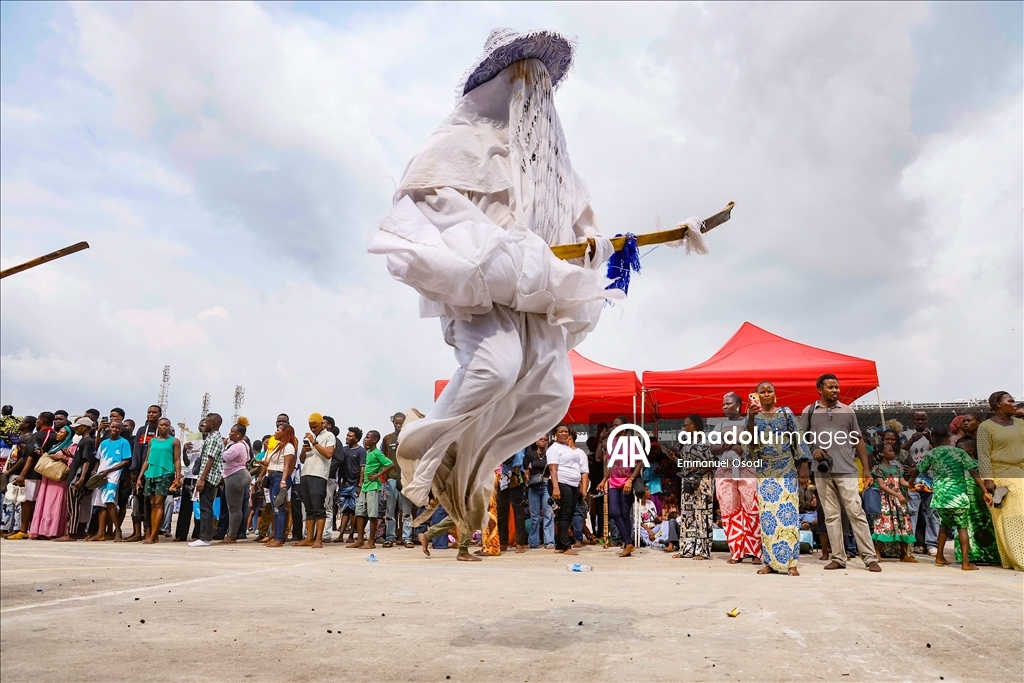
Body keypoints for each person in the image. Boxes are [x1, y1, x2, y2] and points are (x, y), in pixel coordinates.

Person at [369, 29, 633, 541]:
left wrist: (595, 245)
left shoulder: (554, 168)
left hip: (538, 290)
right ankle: (421, 446)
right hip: (486, 284)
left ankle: (464, 464)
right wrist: (495, 244)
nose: (537, 92)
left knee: (554, 392)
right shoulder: (459, 140)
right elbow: (431, 202)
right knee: (496, 367)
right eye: (526, 76)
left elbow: (582, 224)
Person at [802, 374, 881, 573]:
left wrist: (866, 469)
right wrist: (813, 450)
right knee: (831, 515)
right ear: (820, 389)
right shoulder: (810, 411)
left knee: (856, 512)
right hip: (822, 471)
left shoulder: (848, 410)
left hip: (847, 469)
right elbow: (801, 438)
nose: (835, 390)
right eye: (830, 387)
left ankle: (870, 557)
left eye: (836, 387)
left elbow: (858, 440)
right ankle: (838, 557)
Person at [747, 381, 812, 576]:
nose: (766, 394)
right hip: (764, 471)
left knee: (788, 517)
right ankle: (769, 562)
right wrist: (751, 418)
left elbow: (798, 437)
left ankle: (792, 563)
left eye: (770, 391)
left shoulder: (785, 412)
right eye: (762, 392)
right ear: (756, 395)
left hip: (787, 470)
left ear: (775, 395)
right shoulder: (752, 416)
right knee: (767, 518)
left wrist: (804, 466)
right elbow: (750, 443)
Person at [912, 426, 992, 570]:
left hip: (940, 495)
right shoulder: (959, 452)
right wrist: (985, 491)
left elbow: (918, 469)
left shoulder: (932, 453)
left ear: (933, 439)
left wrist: (911, 482)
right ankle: (965, 563)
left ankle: (939, 556)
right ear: (949, 438)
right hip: (958, 495)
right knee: (962, 527)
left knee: (944, 525)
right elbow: (973, 471)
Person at [711, 393, 761, 564]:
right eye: (723, 404)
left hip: (747, 470)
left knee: (751, 509)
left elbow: (756, 442)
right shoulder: (719, 426)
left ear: (738, 405)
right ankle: (736, 551)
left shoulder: (749, 422)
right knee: (729, 511)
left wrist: (740, 443)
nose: (724, 407)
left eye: (728, 404)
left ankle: (755, 552)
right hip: (725, 472)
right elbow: (713, 448)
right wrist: (731, 445)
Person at [977, 391, 1024, 571]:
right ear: (998, 404)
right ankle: (1018, 559)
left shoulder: (1021, 424)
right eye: (1010, 401)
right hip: (1001, 476)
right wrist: (988, 479)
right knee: (1009, 517)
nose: (1014, 404)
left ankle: (1015, 558)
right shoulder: (986, 427)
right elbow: (983, 455)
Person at [7, 412, 58, 539]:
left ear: (43, 420)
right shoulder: (56, 435)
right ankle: (37, 529)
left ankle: (23, 530)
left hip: (33, 473)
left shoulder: (37, 435)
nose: (36, 422)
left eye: (38, 420)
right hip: (48, 473)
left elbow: (30, 457)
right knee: (39, 502)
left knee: (27, 501)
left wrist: (22, 475)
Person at [597, 416, 643, 557]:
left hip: (626, 481)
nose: (613, 427)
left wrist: (630, 480)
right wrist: (604, 480)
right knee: (615, 512)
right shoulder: (612, 442)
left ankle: (626, 544)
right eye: (613, 425)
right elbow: (605, 462)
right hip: (613, 482)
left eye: (616, 425)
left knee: (624, 513)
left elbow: (640, 463)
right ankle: (628, 543)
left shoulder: (631, 442)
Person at [952, 437, 1000, 565]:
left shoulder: (980, 466)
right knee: (963, 528)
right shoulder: (956, 467)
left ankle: (989, 556)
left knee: (983, 526)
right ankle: (967, 556)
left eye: (960, 450)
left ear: (970, 451)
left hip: (979, 503)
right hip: (962, 502)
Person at [135, 417, 182, 544]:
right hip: (150, 474)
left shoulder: (174, 441)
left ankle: (154, 535)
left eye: (166, 425)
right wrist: (140, 476)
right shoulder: (152, 441)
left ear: (169, 427)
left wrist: (178, 477)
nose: (164, 427)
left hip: (165, 473)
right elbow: (147, 460)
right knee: (152, 504)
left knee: (158, 503)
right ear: (158, 426)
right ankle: (153, 535)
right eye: (161, 425)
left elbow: (177, 460)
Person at [673, 414, 715, 560]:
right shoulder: (685, 443)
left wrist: (698, 466)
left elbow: (715, 462)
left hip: (703, 482)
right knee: (687, 515)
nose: (684, 428)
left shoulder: (707, 442)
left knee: (703, 516)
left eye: (686, 425)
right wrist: (675, 459)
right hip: (687, 481)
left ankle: (703, 551)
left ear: (694, 425)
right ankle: (687, 549)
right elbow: (683, 463)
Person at [869, 440, 917, 562]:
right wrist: (898, 495)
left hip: (898, 501)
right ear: (881, 454)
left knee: (902, 524)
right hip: (885, 501)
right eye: (889, 451)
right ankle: (877, 552)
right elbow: (882, 486)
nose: (893, 453)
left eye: (893, 450)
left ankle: (904, 554)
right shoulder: (878, 468)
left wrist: (913, 484)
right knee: (885, 525)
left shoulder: (897, 468)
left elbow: (903, 482)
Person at [86, 420, 133, 542]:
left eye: (117, 428)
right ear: (109, 428)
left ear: (121, 430)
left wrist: (109, 470)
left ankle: (117, 531)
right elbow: (98, 459)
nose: (114, 429)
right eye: (112, 427)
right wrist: (95, 470)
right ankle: (101, 533)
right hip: (101, 475)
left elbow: (126, 461)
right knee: (100, 504)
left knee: (109, 501)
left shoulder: (124, 442)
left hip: (113, 476)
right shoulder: (104, 443)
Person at [28, 422, 75, 539]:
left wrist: (62, 458)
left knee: (54, 504)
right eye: (58, 432)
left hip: (58, 480)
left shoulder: (71, 446)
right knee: (44, 503)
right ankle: (42, 530)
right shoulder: (55, 446)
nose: (58, 434)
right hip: (47, 478)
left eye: (61, 432)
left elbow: (74, 462)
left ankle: (53, 531)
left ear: (68, 435)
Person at [295, 413, 336, 549]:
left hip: (319, 475)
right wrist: (303, 450)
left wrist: (314, 442)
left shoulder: (329, 436)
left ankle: (318, 539)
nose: (312, 429)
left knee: (319, 508)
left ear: (321, 424)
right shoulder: (311, 438)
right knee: (309, 509)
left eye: (315, 426)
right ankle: (309, 538)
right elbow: (302, 460)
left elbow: (329, 454)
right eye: (310, 427)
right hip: (306, 474)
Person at [902, 409, 939, 555]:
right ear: (913, 420)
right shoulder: (906, 435)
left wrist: (931, 439)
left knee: (932, 511)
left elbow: (941, 451)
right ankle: (910, 543)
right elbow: (899, 452)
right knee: (912, 511)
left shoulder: (933, 435)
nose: (920, 422)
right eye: (917, 419)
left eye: (923, 419)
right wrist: (912, 440)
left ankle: (932, 544)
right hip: (912, 478)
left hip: (930, 477)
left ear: (927, 420)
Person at [55, 417, 97, 541]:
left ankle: (72, 533)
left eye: (78, 427)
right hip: (74, 476)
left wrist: (82, 478)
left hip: (76, 478)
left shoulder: (87, 441)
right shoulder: (84, 441)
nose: (76, 429)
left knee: (73, 507)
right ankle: (73, 532)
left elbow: (86, 461)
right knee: (72, 506)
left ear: (85, 427)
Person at [547, 423, 586, 556]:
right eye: (561, 431)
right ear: (555, 434)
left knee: (569, 514)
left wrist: (579, 484)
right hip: (562, 483)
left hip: (572, 484)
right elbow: (553, 469)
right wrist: (556, 487)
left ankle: (559, 544)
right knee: (565, 514)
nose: (564, 433)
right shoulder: (554, 448)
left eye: (566, 431)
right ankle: (565, 545)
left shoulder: (567, 448)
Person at [349, 430, 391, 549]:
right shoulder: (367, 452)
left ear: (375, 440)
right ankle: (360, 540)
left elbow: (390, 464)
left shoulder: (377, 453)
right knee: (359, 512)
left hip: (373, 486)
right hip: (365, 486)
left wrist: (378, 475)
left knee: (372, 514)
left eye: (368, 437)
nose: (365, 439)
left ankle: (371, 542)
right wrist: (361, 482)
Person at [125, 405, 162, 543]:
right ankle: (136, 533)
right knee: (137, 501)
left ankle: (149, 531)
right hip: (140, 471)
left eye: (154, 412)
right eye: (149, 412)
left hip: (155, 473)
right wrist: (134, 470)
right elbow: (136, 450)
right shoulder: (142, 430)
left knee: (150, 503)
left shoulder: (164, 430)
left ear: (160, 414)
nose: (151, 414)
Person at [190, 413, 225, 547]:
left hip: (209, 477)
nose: (204, 424)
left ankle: (205, 538)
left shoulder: (214, 439)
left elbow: (210, 460)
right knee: (205, 506)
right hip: (207, 477)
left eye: (207, 422)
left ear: (213, 423)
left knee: (206, 507)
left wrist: (202, 479)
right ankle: (204, 536)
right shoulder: (211, 437)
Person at [262, 422, 297, 548]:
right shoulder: (278, 446)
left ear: (284, 433)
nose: (275, 432)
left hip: (279, 477)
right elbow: (270, 462)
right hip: (272, 476)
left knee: (279, 508)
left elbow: (287, 465)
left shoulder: (289, 447)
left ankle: (279, 538)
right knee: (274, 508)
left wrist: (283, 481)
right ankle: (276, 535)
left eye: (278, 430)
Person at [380, 412, 412, 548]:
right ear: (393, 422)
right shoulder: (387, 439)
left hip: (406, 479)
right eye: (396, 423)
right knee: (390, 511)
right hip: (391, 479)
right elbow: (382, 458)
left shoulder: (410, 437)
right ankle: (390, 537)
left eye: (401, 423)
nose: (399, 426)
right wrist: (384, 476)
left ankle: (407, 538)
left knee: (406, 511)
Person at [174, 418, 207, 542]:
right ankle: (181, 534)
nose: (203, 427)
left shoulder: (211, 442)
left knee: (199, 508)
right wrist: (184, 450)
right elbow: (187, 462)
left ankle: (197, 534)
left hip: (202, 477)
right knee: (185, 507)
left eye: (205, 425)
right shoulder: (193, 441)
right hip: (190, 477)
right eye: (201, 425)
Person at [218, 420, 250, 545]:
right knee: (236, 508)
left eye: (232, 432)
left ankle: (232, 535)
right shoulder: (244, 444)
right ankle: (232, 533)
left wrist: (223, 445)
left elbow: (223, 457)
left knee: (234, 508)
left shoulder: (237, 446)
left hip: (235, 476)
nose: (229, 434)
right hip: (240, 474)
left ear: (238, 434)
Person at [524, 435, 555, 549]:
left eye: (545, 440)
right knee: (534, 515)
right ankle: (533, 542)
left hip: (546, 485)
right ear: (536, 442)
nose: (543, 441)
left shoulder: (550, 454)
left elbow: (553, 469)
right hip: (534, 486)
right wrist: (527, 477)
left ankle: (549, 542)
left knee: (548, 514)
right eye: (541, 439)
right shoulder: (531, 454)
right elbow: (526, 467)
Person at [335, 427, 365, 544]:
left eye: (350, 436)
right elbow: (340, 467)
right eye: (347, 435)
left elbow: (362, 468)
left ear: (356, 439)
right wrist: (339, 481)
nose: (347, 437)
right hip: (345, 484)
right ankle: (341, 535)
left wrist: (360, 485)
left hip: (355, 485)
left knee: (354, 511)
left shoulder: (361, 451)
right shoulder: (343, 450)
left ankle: (351, 534)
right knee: (345, 511)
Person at [497, 448, 528, 553]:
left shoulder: (518, 440)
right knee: (501, 511)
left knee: (518, 511)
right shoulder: (501, 441)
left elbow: (519, 456)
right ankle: (503, 542)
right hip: (502, 476)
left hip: (515, 473)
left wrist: (515, 474)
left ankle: (520, 543)